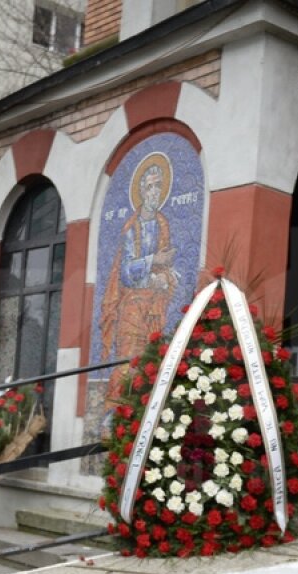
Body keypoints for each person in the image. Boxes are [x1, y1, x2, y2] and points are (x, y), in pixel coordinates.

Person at [99, 158, 178, 410]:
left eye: (159, 187)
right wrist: (154, 260)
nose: (155, 192)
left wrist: (165, 278)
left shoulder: (163, 224)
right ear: (142, 191)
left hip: (154, 308)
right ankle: (115, 415)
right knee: (127, 364)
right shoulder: (131, 228)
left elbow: (168, 267)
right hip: (132, 307)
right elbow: (125, 271)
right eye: (151, 187)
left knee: (149, 364)